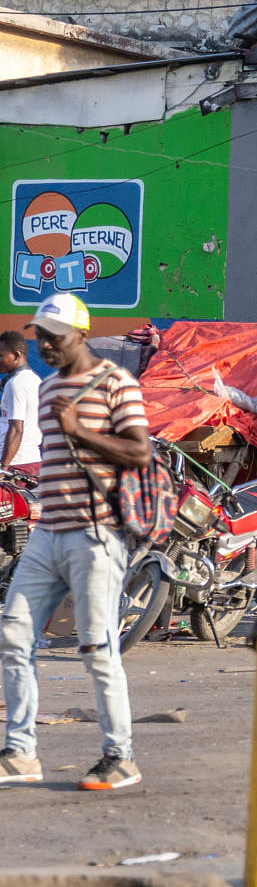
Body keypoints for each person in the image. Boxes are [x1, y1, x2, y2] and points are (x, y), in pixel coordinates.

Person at [0, 294, 151, 790]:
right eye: (40, 336)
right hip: (48, 534)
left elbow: (139, 451)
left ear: (82, 335)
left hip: (96, 533)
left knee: (97, 648)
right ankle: (21, 753)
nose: (45, 345)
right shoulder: (47, 389)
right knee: (14, 634)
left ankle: (120, 757)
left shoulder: (116, 383)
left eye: (55, 337)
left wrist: (78, 430)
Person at [0, 330, 40, 482]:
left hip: (16, 464)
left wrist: (3, 468)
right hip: (31, 461)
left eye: (1, 356)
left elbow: (17, 429)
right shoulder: (34, 380)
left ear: (16, 355)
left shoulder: (15, 384)